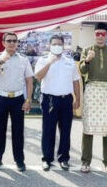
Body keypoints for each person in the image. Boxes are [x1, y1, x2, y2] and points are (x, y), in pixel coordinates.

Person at [0, 32, 34, 171]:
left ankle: (19, 160)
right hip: (1, 98)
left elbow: (29, 80)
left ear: (17, 43)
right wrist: (2, 61)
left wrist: (28, 99)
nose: (12, 43)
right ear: (3, 43)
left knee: (18, 131)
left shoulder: (23, 60)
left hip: (18, 99)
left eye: (14, 41)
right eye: (9, 41)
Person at [78, 22, 107, 174]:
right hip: (92, 89)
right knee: (88, 127)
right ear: (94, 34)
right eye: (98, 34)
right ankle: (85, 161)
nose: (100, 36)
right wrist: (87, 60)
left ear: (106, 35)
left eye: (103, 34)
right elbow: (82, 71)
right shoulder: (87, 50)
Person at [35, 35, 81, 171]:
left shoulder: (69, 61)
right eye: (54, 44)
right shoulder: (43, 60)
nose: (57, 46)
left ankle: (64, 158)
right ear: (49, 46)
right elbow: (38, 76)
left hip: (66, 99)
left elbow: (76, 81)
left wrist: (77, 98)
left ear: (63, 45)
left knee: (65, 130)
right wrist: (50, 63)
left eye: (59, 44)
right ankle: (47, 159)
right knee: (48, 130)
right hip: (49, 99)